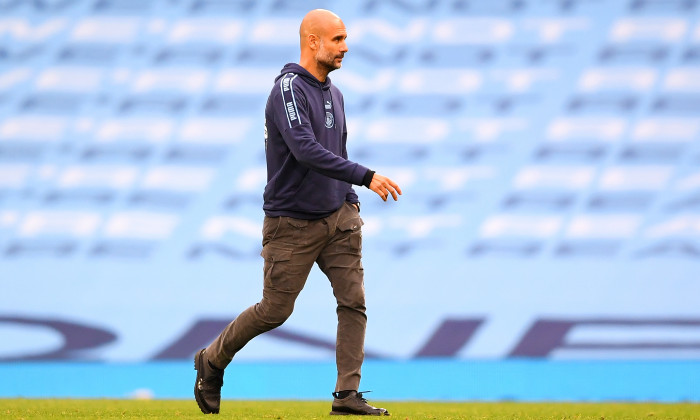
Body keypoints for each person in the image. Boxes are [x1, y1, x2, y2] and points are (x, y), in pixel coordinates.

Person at [193, 8, 401, 416]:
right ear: (312, 41)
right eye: (338, 39)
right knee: (274, 311)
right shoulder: (287, 88)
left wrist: (350, 204)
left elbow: (334, 153)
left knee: (353, 301)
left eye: (345, 38)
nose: (346, 46)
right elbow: (306, 151)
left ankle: (346, 396)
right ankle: (212, 360)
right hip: (292, 223)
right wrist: (366, 177)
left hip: (337, 218)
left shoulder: (334, 93)